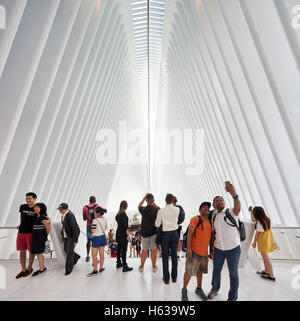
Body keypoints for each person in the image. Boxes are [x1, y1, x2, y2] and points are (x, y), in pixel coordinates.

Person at [208, 183, 241, 301]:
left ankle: (232, 297)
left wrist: (234, 195)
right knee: (216, 270)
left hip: (233, 248)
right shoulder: (213, 216)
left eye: (221, 200)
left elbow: (237, 208)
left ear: (224, 203)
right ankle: (214, 289)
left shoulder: (230, 212)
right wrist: (211, 249)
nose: (219, 202)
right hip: (218, 249)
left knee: (233, 273)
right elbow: (213, 234)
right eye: (216, 201)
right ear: (214, 205)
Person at [182, 202, 212, 301]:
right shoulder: (195, 219)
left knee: (200, 272)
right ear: (199, 210)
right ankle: (184, 290)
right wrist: (189, 248)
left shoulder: (209, 222)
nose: (206, 209)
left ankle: (199, 288)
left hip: (204, 253)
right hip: (194, 251)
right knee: (189, 272)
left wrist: (210, 250)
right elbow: (190, 234)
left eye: (208, 208)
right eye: (203, 207)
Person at [155, 193, 180, 284]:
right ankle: (174, 277)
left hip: (165, 234)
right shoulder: (177, 209)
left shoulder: (161, 211)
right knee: (174, 256)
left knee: (165, 257)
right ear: (173, 201)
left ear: (165, 200)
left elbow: (157, 224)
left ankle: (166, 278)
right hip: (175, 233)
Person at [16, 192, 38, 278]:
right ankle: (23, 269)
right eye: (27, 198)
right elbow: (22, 216)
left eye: (30, 198)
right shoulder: (22, 206)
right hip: (21, 232)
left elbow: (43, 218)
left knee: (31, 251)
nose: (28, 200)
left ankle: (29, 268)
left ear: (35, 199)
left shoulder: (37, 208)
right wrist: (20, 224)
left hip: (31, 233)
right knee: (22, 251)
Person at [251, 206, 275, 281]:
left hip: (262, 242)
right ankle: (267, 271)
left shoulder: (259, 223)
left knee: (266, 258)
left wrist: (254, 243)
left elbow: (257, 234)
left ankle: (271, 275)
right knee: (265, 257)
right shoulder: (266, 220)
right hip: (266, 240)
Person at [138, 193, 160, 273]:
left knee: (144, 250)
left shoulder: (143, 209)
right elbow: (158, 208)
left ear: (146, 201)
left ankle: (142, 266)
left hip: (144, 233)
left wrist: (144, 198)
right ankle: (154, 266)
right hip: (153, 232)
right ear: (153, 200)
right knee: (153, 250)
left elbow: (139, 205)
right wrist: (153, 202)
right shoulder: (156, 209)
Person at [58, 203, 81, 275]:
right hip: (66, 236)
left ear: (66, 209)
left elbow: (75, 227)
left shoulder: (70, 215)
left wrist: (75, 239)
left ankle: (68, 269)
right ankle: (76, 257)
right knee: (65, 249)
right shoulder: (63, 215)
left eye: (61, 209)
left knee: (69, 252)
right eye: (59, 209)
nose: (60, 211)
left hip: (72, 236)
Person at [31, 203, 51, 277]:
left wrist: (45, 236)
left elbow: (48, 227)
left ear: (42, 208)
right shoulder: (38, 216)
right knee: (38, 253)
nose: (35, 208)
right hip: (36, 237)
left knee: (39, 253)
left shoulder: (42, 217)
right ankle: (42, 267)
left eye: (37, 207)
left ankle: (42, 269)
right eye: (35, 207)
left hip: (40, 237)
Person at [88, 207, 107, 276]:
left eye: (95, 212)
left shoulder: (95, 220)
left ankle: (95, 270)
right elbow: (105, 228)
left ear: (98, 213)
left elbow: (93, 231)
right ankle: (101, 267)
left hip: (96, 238)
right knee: (101, 253)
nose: (94, 213)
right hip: (102, 237)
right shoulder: (105, 219)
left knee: (94, 254)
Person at [115, 201, 133, 272]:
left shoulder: (118, 214)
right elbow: (126, 228)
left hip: (118, 232)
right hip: (123, 234)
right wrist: (128, 236)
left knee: (119, 248)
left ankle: (119, 262)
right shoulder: (124, 215)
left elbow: (117, 221)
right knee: (124, 250)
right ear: (126, 206)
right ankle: (125, 265)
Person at [83, 196, 101, 262]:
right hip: (95, 226)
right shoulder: (98, 207)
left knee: (88, 240)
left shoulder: (85, 208)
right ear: (95, 200)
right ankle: (95, 257)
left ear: (89, 200)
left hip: (88, 225)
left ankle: (88, 255)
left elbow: (84, 218)